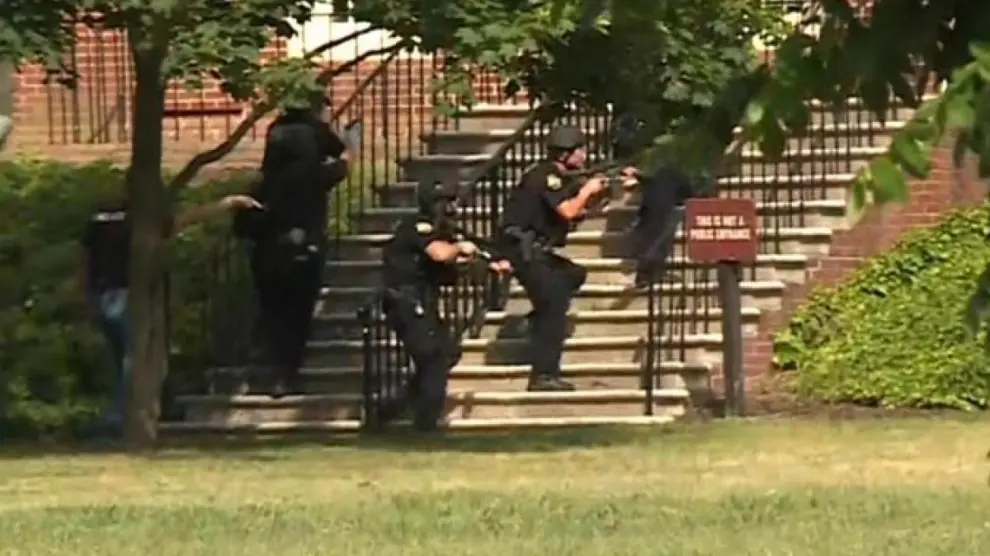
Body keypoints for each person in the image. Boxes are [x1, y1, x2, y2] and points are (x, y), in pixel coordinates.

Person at [80, 186, 260, 436]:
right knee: (136, 360)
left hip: (103, 295)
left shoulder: (98, 222)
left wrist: (85, 296)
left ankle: (121, 413)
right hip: (129, 295)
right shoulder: (141, 224)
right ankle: (123, 417)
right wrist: (228, 203)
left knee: (122, 359)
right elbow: (187, 218)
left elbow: (84, 261)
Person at [238, 96, 351, 397]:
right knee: (297, 315)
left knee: (272, 313)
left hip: (267, 254)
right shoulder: (314, 176)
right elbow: (341, 162)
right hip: (303, 249)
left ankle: (263, 369)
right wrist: (347, 150)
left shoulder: (265, 182)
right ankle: (285, 375)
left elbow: (244, 224)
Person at [381, 181, 511, 430]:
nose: (450, 208)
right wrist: (459, 248)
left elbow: (454, 261)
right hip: (405, 300)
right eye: (444, 202)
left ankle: (399, 404)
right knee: (433, 356)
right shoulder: (417, 226)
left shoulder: (442, 231)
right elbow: (439, 253)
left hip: (423, 300)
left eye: (452, 201)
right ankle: (426, 422)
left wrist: (489, 261)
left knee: (447, 350)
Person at [497, 124, 606, 392]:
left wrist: (599, 193)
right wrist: (587, 191)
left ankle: (534, 320)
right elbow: (567, 211)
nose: (584, 155)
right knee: (555, 306)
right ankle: (544, 374)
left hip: (535, 250)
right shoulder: (546, 176)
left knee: (573, 274)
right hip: (523, 250)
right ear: (565, 153)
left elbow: (574, 213)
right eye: (580, 150)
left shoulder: (557, 177)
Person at [619, 165, 695, 287]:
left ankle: (646, 271)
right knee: (658, 230)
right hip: (666, 193)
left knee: (656, 229)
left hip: (664, 195)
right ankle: (646, 271)